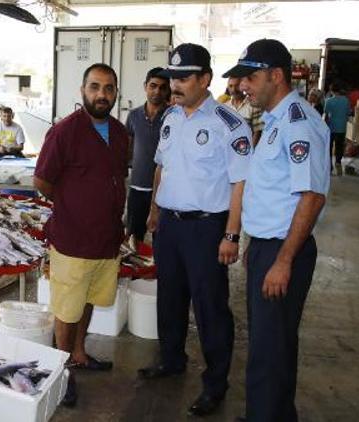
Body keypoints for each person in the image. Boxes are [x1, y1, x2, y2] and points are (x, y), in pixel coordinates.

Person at [138, 43, 252, 417]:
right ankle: (172, 359)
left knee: (210, 309)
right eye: (173, 78)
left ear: (205, 79)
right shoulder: (171, 118)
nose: (175, 85)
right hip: (169, 225)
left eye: (184, 78)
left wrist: (231, 235)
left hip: (206, 229)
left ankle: (215, 384)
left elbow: (240, 183)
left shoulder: (229, 124)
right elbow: (160, 166)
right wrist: (155, 210)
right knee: (169, 299)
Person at [225, 38, 330, 422]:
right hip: (269, 247)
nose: (244, 87)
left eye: (250, 78)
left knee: (270, 348)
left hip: (284, 250)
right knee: (272, 343)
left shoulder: (298, 123)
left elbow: (312, 197)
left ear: (277, 75)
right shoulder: (274, 121)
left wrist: (283, 260)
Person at [34, 63, 128, 407]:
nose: (101, 94)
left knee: (89, 299)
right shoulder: (65, 132)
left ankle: (79, 353)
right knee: (67, 308)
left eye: (108, 88)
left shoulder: (119, 133)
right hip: (73, 240)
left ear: (116, 92)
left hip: (106, 239)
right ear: (82, 91)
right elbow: (42, 181)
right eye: (95, 87)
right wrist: (73, 205)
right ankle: (62, 371)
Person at [125, 67, 170, 244]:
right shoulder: (133, 116)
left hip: (163, 191)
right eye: (153, 86)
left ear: (168, 90)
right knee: (134, 237)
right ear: (145, 86)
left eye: (162, 87)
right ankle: (137, 273)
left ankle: (159, 271)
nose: (157, 91)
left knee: (161, 238)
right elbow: (127, 149)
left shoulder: (172, 116)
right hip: (136, 187)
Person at [222, 77, 265, 146]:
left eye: (237, 85)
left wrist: (250, 153)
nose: (234, 89)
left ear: (242, 86)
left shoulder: (253, 105)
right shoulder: (224, 107)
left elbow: (257, 132)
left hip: (247, 151)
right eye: (231, 86)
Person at [323, 81, 350, 175]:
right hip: (342, 127)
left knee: (329, 148)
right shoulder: (346, 100)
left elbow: (326, 115)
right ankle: (338, 162)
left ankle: (329, 167)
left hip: (331, 127)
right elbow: (348, 113)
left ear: (331, 90)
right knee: (339, 147)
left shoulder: (329, 101)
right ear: (340, 90)